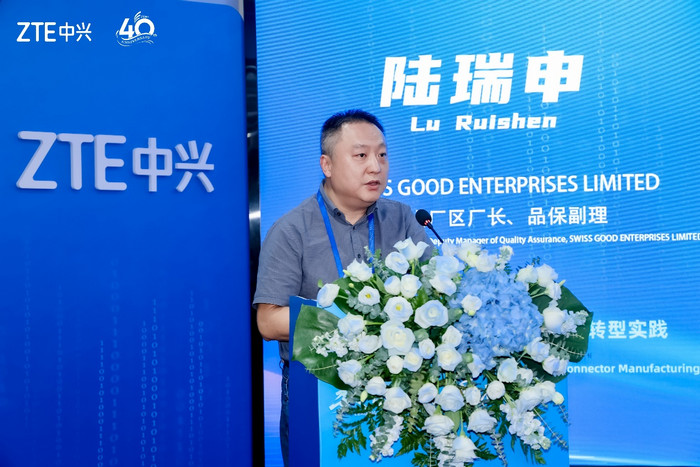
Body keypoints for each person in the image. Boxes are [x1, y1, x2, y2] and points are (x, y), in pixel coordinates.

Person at [253, 109, 432, 465]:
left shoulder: (403, 219)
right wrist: (351, 319)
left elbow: (435, 297)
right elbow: (268, 321)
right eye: (361, 155)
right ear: (328, 165)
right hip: (318, 389)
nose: (376, 167)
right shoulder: (291, 230)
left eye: (382, 155)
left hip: (401, 391)